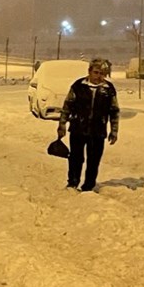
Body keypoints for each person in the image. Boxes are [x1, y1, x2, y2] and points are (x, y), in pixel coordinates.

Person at [56, 58, 120, 192]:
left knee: (94, 160)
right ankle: (72, 183)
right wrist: (62, 125)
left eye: (102, 73)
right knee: (75, 158)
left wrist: (114, 131)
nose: (99, 76)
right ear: (89, 72)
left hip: (98, 131)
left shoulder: (108, 89)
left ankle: (88, 186)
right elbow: (67, 106)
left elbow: (114, 111)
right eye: (96, 72)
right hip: (78, 129)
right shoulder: (78, 86)